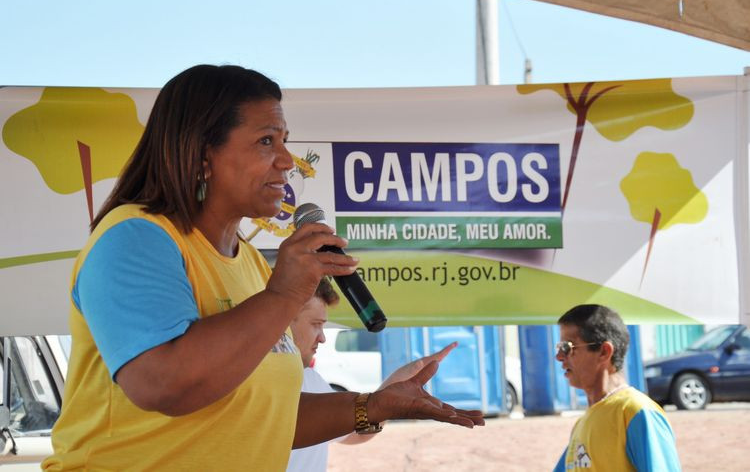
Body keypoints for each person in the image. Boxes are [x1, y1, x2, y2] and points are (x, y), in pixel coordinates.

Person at [42, 64, 483, 470]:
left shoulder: (252, 263)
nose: (288, 160)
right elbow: (165, 384)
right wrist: (284, 294)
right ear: (201, 154)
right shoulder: (135, 238)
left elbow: (265, 416)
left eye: (285, 140)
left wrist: (377, 405)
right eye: (266, 141)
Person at [286, 278, 458, 472]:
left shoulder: (312, 379)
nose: (323, 337)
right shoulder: (255, 382)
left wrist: (395, 384)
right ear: (282, 321)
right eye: (316, 324)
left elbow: (357, 434)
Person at [553, 304, 681, 472]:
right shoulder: (581, 424)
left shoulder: (636, 412)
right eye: (560, 348)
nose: (559, 357)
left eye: (567, 348)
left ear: (604, 352)